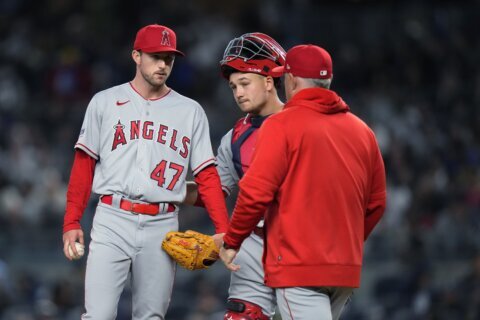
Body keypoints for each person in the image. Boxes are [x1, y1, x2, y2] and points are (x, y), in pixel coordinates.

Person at [62, 24, 229, 319]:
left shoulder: (190, 111)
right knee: (97, 315)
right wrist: (72, 221)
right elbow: (83, 164)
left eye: (169, 58)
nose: (163, 64)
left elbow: (207, 175)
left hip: (162, 224)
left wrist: (223, 230)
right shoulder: (104, 101)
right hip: (112, 218)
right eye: (155, 56)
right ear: (136, 56)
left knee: (151, 316)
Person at [219, 44, 387, 320]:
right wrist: (342, 245)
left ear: (291, 79)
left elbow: (254, 193)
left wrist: (232, 241)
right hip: (344, 269)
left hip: (298, 266)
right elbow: (377, 203)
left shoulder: (281, 125)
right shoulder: (362, 131)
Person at [184, 32, 286, 319]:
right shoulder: (234, 137)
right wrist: (168, 188)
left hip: (300, 244)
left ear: (268, 81)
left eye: (244, 83)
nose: (238, 93)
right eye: (233, 87)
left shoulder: (303, 123)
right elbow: (212, 191)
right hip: (252, 242)